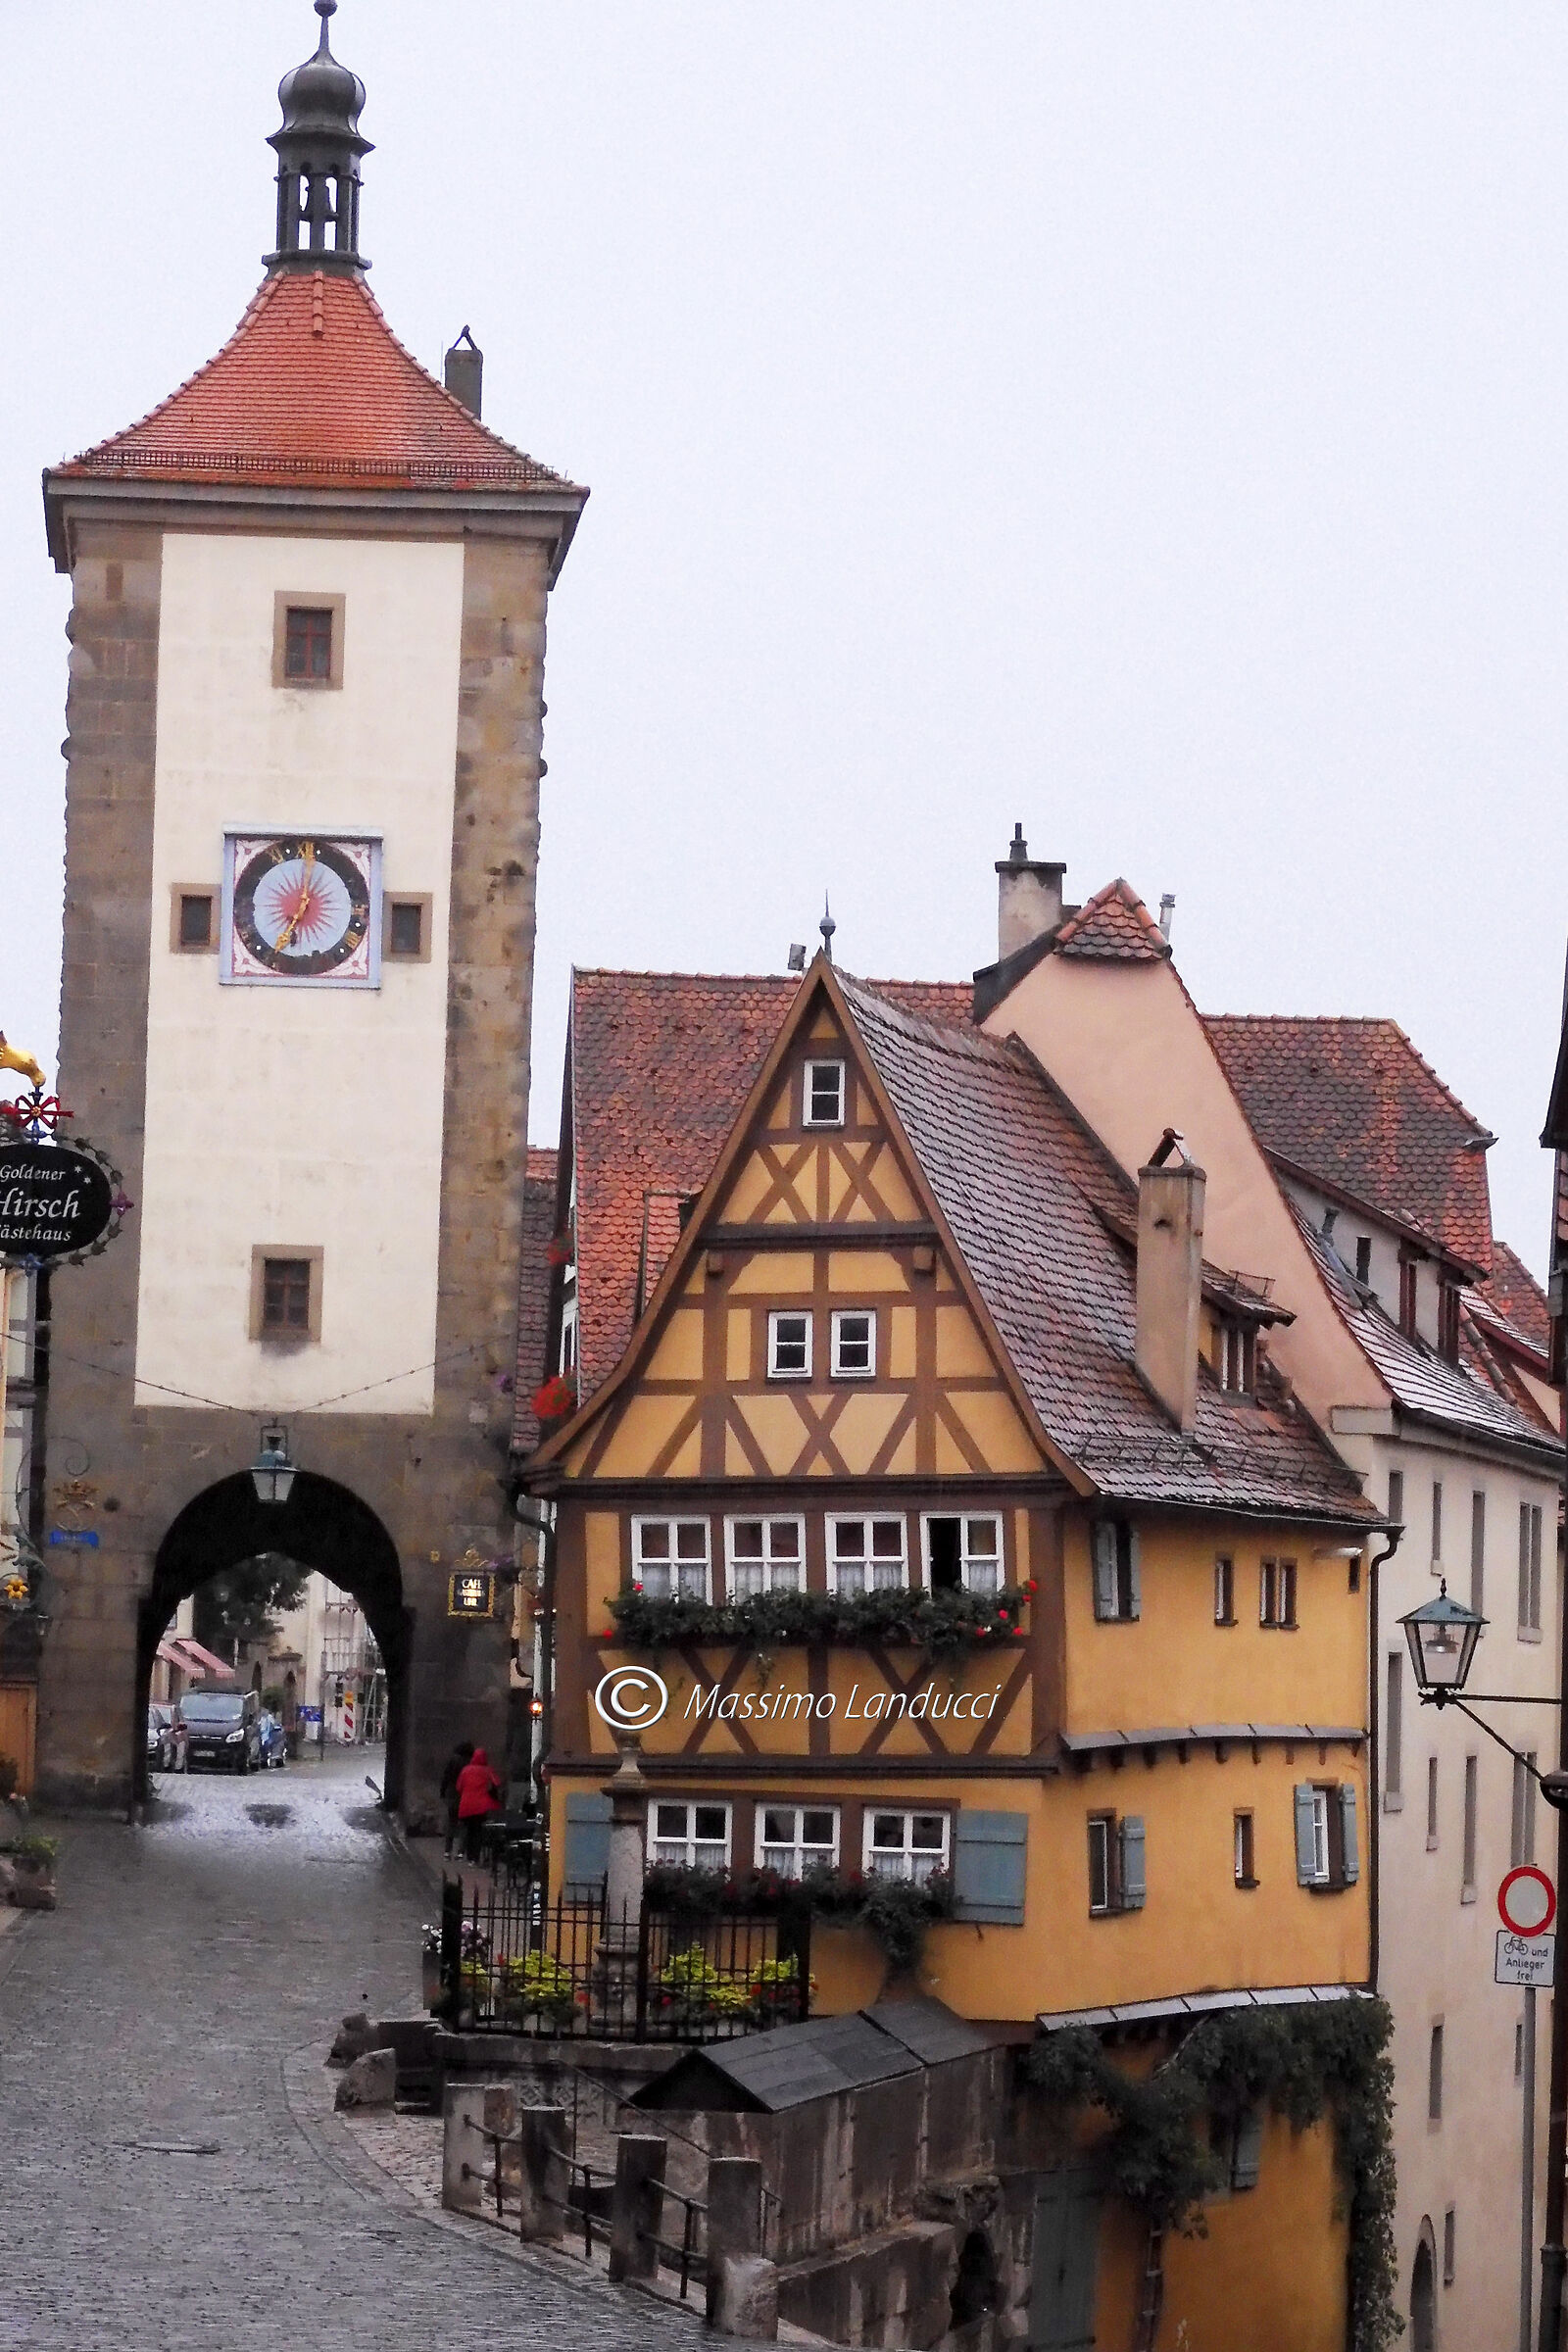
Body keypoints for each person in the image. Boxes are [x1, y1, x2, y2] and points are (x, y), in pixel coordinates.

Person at [455, 1744, 503, 1866]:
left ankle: (470, 1857)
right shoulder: (488, 1770)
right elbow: (497, 1784)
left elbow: (458, 1787)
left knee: (469, 1832)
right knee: (478, 1832)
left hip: (466, 1807)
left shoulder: (465, 1770)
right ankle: (476, 1858)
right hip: (482, 1807)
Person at [439, 1740, 474, 1858]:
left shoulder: (453, 1761)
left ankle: (447, 1851)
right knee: (464, 1824)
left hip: (453, 1794)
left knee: (451, 1822)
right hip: (466, 1795)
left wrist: (442, 1792)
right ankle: (460, 1851)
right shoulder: (471, 1762)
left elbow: (446, 1777)